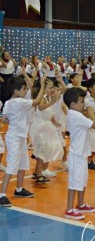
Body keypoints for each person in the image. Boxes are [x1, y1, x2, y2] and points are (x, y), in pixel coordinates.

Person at [0, 76, 45, 207]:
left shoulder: (8, 102)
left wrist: (14, 122)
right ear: (16, 91)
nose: (26, 91)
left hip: (19, 137)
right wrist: (42, 85)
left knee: (23, 164)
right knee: (12, 166)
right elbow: (37, 101)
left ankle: (19, 189)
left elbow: (3, 119)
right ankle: (2, 195)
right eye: (24, 89)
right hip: (15, 138)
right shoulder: (20, 102)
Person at [63, 87, 95, 220]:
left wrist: (87, 113)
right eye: (82, 102)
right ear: (73, 105)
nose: (84, 104)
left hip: (81, 153)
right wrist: (90, 111)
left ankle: (81, 204)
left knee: (82, 180)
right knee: (74, 183)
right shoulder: (75, 115)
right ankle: (69, 209)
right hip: (76, 154)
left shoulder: (75, 114)